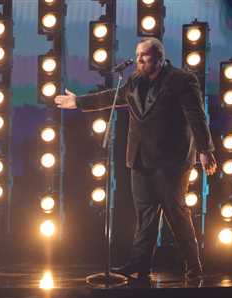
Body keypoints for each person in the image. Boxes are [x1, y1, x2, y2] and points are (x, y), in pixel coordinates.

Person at [55, 37, 217, 279]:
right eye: (138, 55)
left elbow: (196, 116)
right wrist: (79, 102)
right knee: (145, 214)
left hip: (171, 159)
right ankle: (140, 264)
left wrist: (205, 150)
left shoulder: (181, 80)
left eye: (145, 56)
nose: (139, 60)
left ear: (160, 59)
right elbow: (113, 97)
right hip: (140, 157)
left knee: (176, 211)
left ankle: (193, 265)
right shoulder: (134, 81)